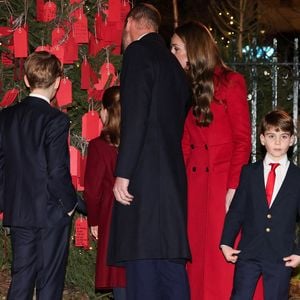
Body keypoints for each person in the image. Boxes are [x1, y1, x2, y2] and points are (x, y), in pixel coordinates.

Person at [171, 21, 264, 300]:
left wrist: (234, 188)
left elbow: (242, 140)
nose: (172, 53)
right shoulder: (184, 87)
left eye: (176, 48)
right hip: (195, 186)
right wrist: (180, 187)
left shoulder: (231, 82)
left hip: (223, 186)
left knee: (223, 262)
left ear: (194, 49)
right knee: (196, 260)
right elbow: (184, 144)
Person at [108, 3, 191, 300]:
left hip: (143, 176)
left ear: (131, 22)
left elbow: (136, 116)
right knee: (169, 264)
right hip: (171, 178)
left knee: (142, 263)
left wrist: (123, 173)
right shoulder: (174, 66)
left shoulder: (138, 53)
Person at [0, 51, 78, 299]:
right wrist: (69, 205)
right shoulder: (56, 120)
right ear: (57, 82)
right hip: (50, 211)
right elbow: (56, 170)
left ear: (26, 80)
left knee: (21, 279)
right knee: (49, 282)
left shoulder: (6, 117)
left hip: (20, 210)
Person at [220, 109, 300, 299]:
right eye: (272, 136)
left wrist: (299, 252)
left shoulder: (297, 178)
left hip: (282, 256)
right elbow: (237, 210)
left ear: (292, 140)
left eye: (283, 136)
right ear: (263, 139)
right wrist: (226, 242)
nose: (278, 142)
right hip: (248, 252)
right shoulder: (249, 172)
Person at [84, 86, 126, 300]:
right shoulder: (138, 142)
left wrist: (94, 220)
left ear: (108, 111)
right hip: (139, 219)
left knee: (119, 278)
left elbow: (93, 191)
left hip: (111, 217)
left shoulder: (99, 146)